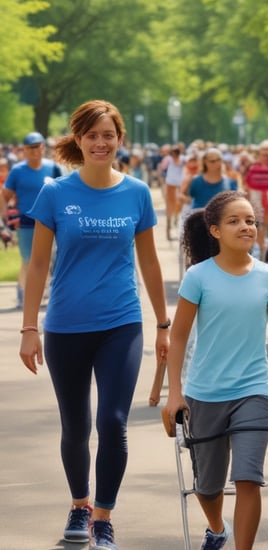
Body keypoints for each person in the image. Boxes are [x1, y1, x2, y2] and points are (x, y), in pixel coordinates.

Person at [18, 100, 170, 550]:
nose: (101, 143)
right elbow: (39, 263)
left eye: (109, 135)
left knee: (113, 421)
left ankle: (103, 516)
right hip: (65, 326)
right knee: (75, 425)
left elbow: (149, 262)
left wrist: (163, 325)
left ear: (120, 139)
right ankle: (80, 504)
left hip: (121, 323)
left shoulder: (137, 193)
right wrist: (29, 328)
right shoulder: (55, 193)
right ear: (79, 140)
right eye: (92, 135)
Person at [163, 190, 268, 550]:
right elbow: (179, 337)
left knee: (248, 478)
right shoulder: (198, 277)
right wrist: (174, 393)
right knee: (208, 487)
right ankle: (217, 528)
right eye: (234, 221)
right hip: (204, 392)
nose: (245, 226)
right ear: (214, 231)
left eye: (250, 220)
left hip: (253, 391)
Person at [2, 131, 62, 308]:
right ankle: (24, 293)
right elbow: (4, 196)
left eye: (38, 146)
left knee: (49, 259)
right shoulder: (18, 171)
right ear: (25, 150)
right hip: (26, 222)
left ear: (43, 147)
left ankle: (43, 293)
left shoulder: (53, 168)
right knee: (28, 259)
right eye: (31, 147)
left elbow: (63, 193)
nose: (35, 151)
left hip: (50, 223)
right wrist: (4, 222)